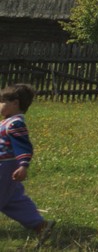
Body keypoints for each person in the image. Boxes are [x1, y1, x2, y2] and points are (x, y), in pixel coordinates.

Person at [0, 84, 53, 244]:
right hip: (5, 167)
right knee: (13, 200)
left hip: (5, 167)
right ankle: (40, 225)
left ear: (15, 103)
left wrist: (23, 165)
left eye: (1, 102)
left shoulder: (15, 124)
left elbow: (23, 146)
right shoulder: (7, 122)